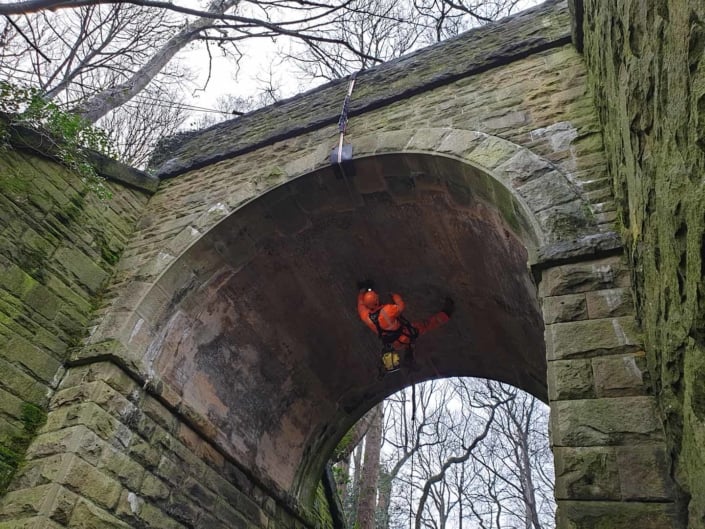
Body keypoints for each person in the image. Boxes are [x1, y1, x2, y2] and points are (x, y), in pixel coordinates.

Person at [356, 279, 454, 371]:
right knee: (425, 325)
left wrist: (362, 291)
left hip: (394, 343)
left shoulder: (366, 317)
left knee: (409, 343)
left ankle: (409, 355)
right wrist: (395, 296)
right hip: (404, 334)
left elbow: (360, 305)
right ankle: (445, 314)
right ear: (377, 300)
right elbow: (401, 306)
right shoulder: (387, 310)